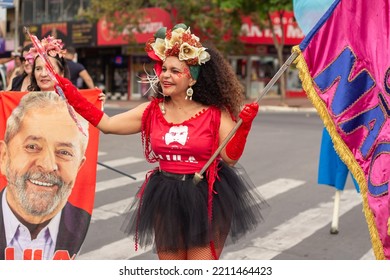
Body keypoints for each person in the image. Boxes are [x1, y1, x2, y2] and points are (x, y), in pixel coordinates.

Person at [55, 23, 268, 260]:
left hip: (206, 198)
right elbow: (107, 124)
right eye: (164, 69)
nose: (165, 75)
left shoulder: (215, 114)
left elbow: (231, 158)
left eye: (175, 71)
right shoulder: (152, 110)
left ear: (192, 80)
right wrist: (69, 91)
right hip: (165, 196)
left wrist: (244, 127)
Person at [0, 91, 90, 260]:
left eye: (64, 152)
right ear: (4, 156)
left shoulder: (84, 223)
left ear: (79, 166)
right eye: (32, 147)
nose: (48, 166)